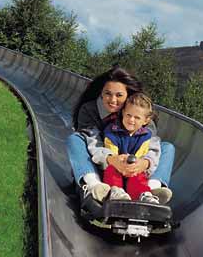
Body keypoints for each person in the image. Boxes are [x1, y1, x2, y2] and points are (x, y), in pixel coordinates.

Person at [66, 66, 174, 204]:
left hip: (136, 171)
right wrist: (112, 159)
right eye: (107, 94)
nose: (112, 100)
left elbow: (150, 146)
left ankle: (151, 190)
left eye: (119, 95)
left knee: (167, 147)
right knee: (75, 139)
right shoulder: (89, 110)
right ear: (101, 93)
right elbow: (93, 142)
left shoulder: (141, 115)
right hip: (102, 166)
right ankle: (94, 186)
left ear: (128, 95)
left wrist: (144, 163)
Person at [99, 93, 160, 204]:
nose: (131, 120)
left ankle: (143, 195)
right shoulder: (112, 132)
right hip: (117, 166)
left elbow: (142, 156)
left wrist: (134, 166)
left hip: (133, 170)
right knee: (111, 171)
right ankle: (117, 191)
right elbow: (111, 154)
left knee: (139, 176)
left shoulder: (146, 136)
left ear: (146, 121)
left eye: (137, 118)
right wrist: (121, 162)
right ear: (123, 113)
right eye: (128, 115)